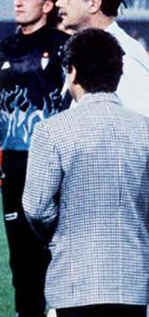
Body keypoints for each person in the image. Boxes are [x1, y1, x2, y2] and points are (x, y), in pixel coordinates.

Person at [23, 28, 149, 316]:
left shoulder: (52, 131)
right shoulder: (145, 129)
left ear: (72, 71)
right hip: (133, 279)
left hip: (75, 278)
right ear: (118, 73)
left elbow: (36, 208)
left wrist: (60, 232)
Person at [0, 0, 69, 317]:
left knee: (56, 252)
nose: (17, 0)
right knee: (20, 256)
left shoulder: (65, 47)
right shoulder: (4, 49)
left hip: (54, 161)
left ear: (47, 5)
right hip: (14, 163)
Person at [55, 0, 149, 117]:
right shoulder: (85, 52)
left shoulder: (125, 57)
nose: (58, 3)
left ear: (93, 3)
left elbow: (142, 128)